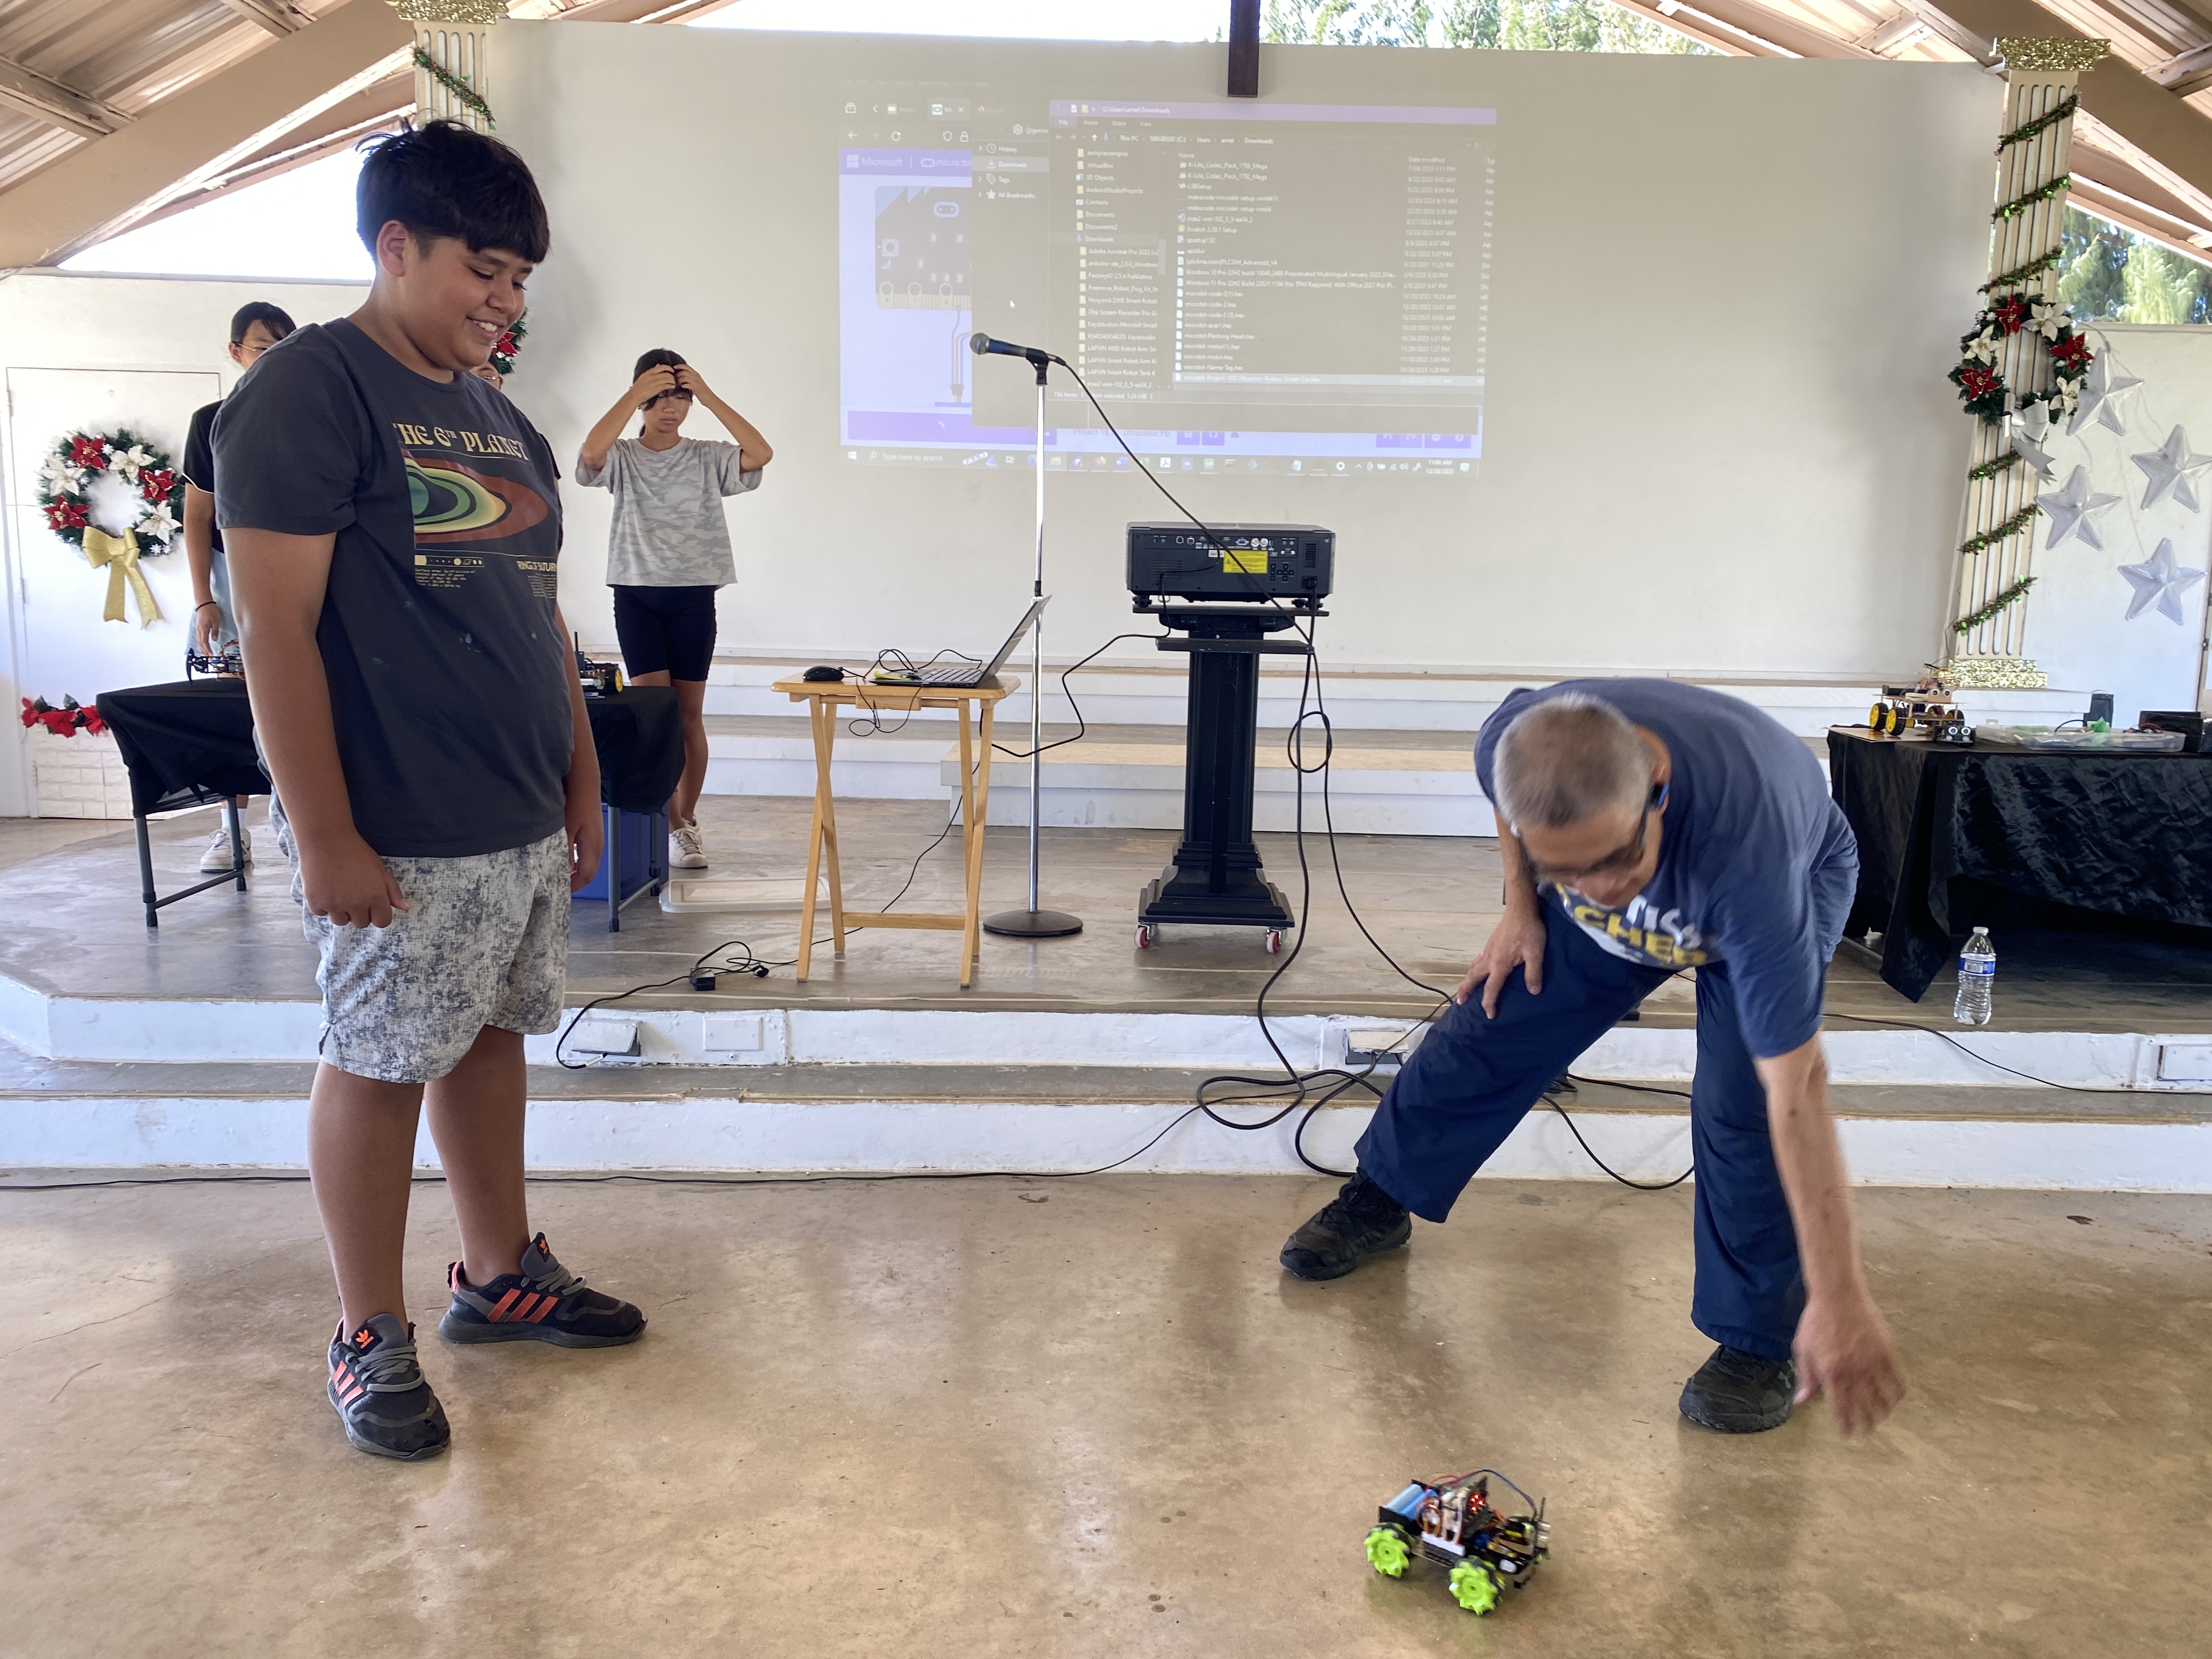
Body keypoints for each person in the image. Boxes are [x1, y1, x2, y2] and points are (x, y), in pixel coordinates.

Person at [216, 120, 645, 1463]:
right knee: (379, 1062)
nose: (507, 305)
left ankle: (497, 1272)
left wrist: (579, 785)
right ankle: (363, 1331)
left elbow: (547, 624)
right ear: (395, 247)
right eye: (489, 271)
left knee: (489, 1041)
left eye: (522, 282)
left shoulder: (502, 421)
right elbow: (273, 630)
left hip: (516, 819)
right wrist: (327, 831)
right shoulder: (308, 388)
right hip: (399, 828)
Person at [1280, 682, 1908, 1437]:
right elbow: (1516, 802)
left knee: (1742, 1103)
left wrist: (1842, 1296)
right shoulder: (1521, 749)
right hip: (1635, 849)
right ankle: (1382, 1198)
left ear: (1656, 787)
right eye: (1571, 872)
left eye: (1616, 860)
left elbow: (1798, 1092)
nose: (1605, 892)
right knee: (1494, 1015)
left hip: (1773, 876)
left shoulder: (1751, 860)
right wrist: (1522, 904)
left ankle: (1758, 1342)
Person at [576, 348, 772, 871]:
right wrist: (633, 394)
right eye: (661, 396)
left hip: (693, 594)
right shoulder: (622, 454)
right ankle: (663, 824)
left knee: (688, 716)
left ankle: (686, 822)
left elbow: (760, 453)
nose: (672, 407)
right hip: (636, 591)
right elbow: (591, 456)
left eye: (680, 397)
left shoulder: (707, 455)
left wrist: (707, 393)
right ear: (642, 398)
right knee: (654, 716)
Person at [180, 300, 295, 873]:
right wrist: (205, 598)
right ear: (235, 353)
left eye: (284, 348)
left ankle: (305, 824)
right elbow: (197, 517)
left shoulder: (314, 419)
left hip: (300, 569)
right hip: (232, 576)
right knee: (235, 706)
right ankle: (233, 830)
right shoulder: (212, 422)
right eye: (260, 348)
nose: (272, 359)